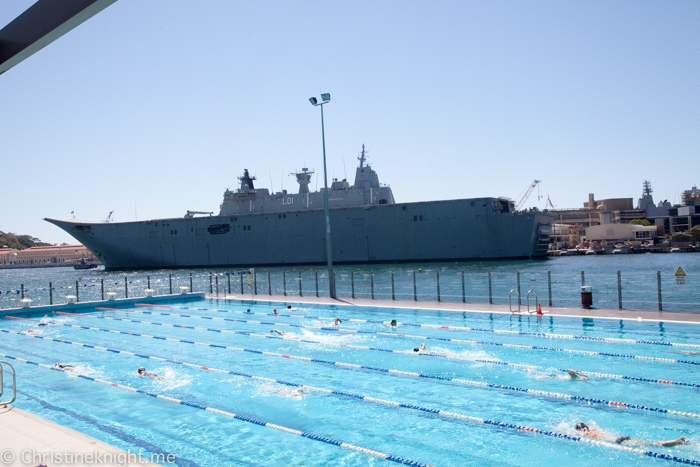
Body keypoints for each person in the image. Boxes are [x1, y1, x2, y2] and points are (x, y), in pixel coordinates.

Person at [574, 422, 687, 447]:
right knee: (651, 444)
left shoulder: (587, 434)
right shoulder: (593, 430)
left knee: (654, 445)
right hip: (621, 437)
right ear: (586, 426)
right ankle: (678, 441)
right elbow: (596, 425)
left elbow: (570, 433)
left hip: (618, 441)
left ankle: (678, 441)